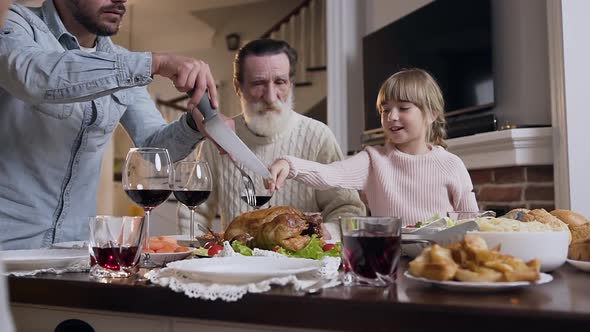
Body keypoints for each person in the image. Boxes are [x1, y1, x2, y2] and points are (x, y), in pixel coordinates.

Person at [0, 0, 223, 250]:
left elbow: (153, 145)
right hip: (8, 249)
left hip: (75, 250)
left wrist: (193, 125)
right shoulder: (13, 22)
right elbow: (34, 76)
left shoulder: (122, 60)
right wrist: (153, 63)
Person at [177, 39, 366, 238]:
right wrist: (193, 256)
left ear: (291, 84)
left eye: (280, 82)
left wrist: (322, 235)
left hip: (303, 264)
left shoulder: (319, 136)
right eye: (258, 83)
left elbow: (348, 210)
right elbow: (193, 211)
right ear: (237, 87)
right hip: (237, 265)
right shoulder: (219, 138)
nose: (270, 96)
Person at [267, 68, 479, 226]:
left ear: (432, 114)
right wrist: (290, 164)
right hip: (390, 257)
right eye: (385, 110)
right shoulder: (373, 160)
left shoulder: (451, 165)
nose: (392, 117)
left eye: (403, 108)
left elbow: (471, 222)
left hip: (439, 260)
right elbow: (331, 174)